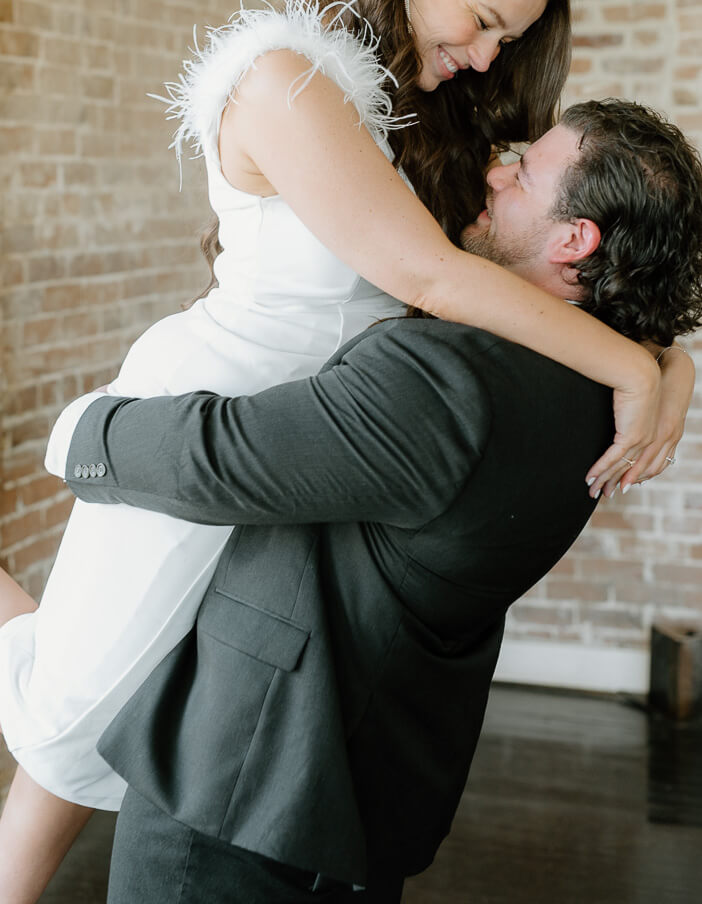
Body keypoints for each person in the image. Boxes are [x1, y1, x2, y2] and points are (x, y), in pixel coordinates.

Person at [0, 0, 689, 903]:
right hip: (218, 398)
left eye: (511, 39)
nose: (491, 54)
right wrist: (637, 364)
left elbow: (579, 260)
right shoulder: (284, 79)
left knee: (143, 695)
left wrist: (666, 356)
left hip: (318, 441)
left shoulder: (425, 115)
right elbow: (427, 276)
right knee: (63, 708)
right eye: (487, 18)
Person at [53, 98, 702, 903]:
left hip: (248, 786)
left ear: (576, 240)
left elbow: (219, 457)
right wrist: (670, 366)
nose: (497, 172)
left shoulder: (455, 381)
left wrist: (86, 431)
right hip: (368, 798)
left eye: (526, 171)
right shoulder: (602, 386)